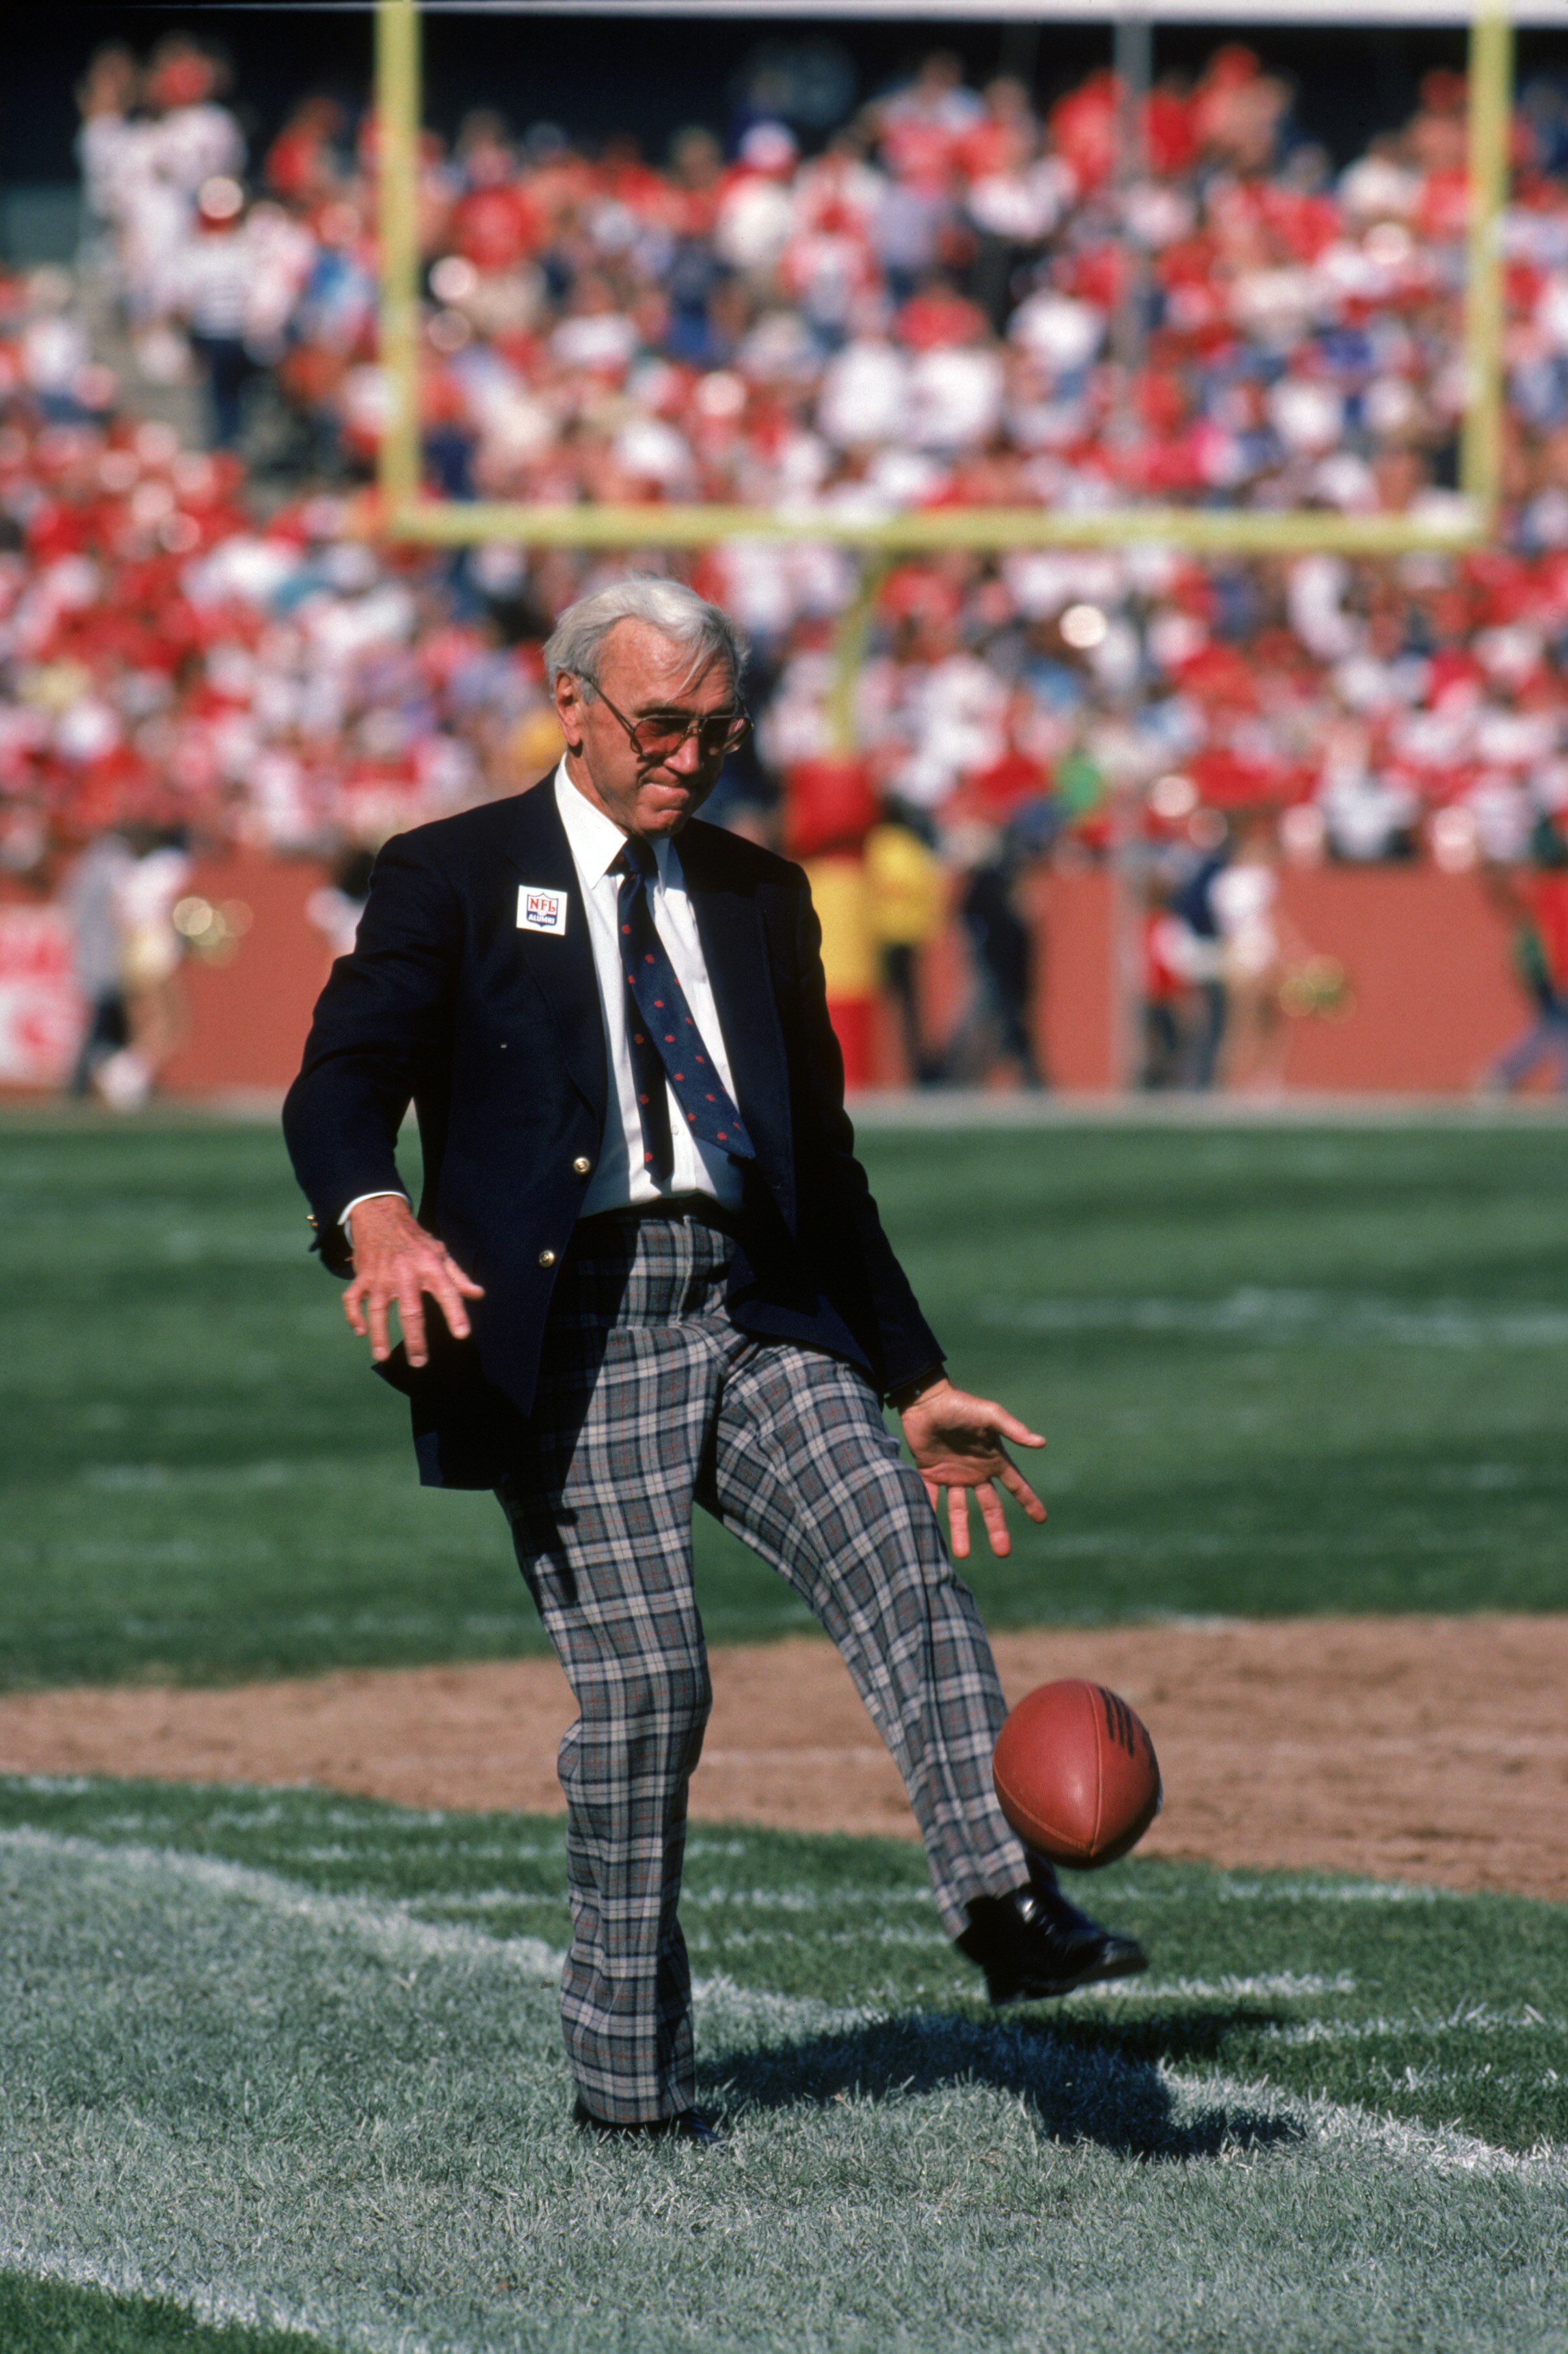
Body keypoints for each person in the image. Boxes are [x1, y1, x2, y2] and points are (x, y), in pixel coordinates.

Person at [283, 577, 1145, 2145]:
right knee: (647, 1693)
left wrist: (915, 1378)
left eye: (720, 730)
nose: (689, 756)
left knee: (899, 1554)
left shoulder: (759, 892)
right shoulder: (452, 871)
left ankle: (1007, 1903)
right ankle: (629, 2083)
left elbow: (823, 1162)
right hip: (574, 1328)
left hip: (751, 1303)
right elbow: (339, 1082)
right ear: (571, 703)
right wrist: (376, 1217)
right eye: (662, 723)